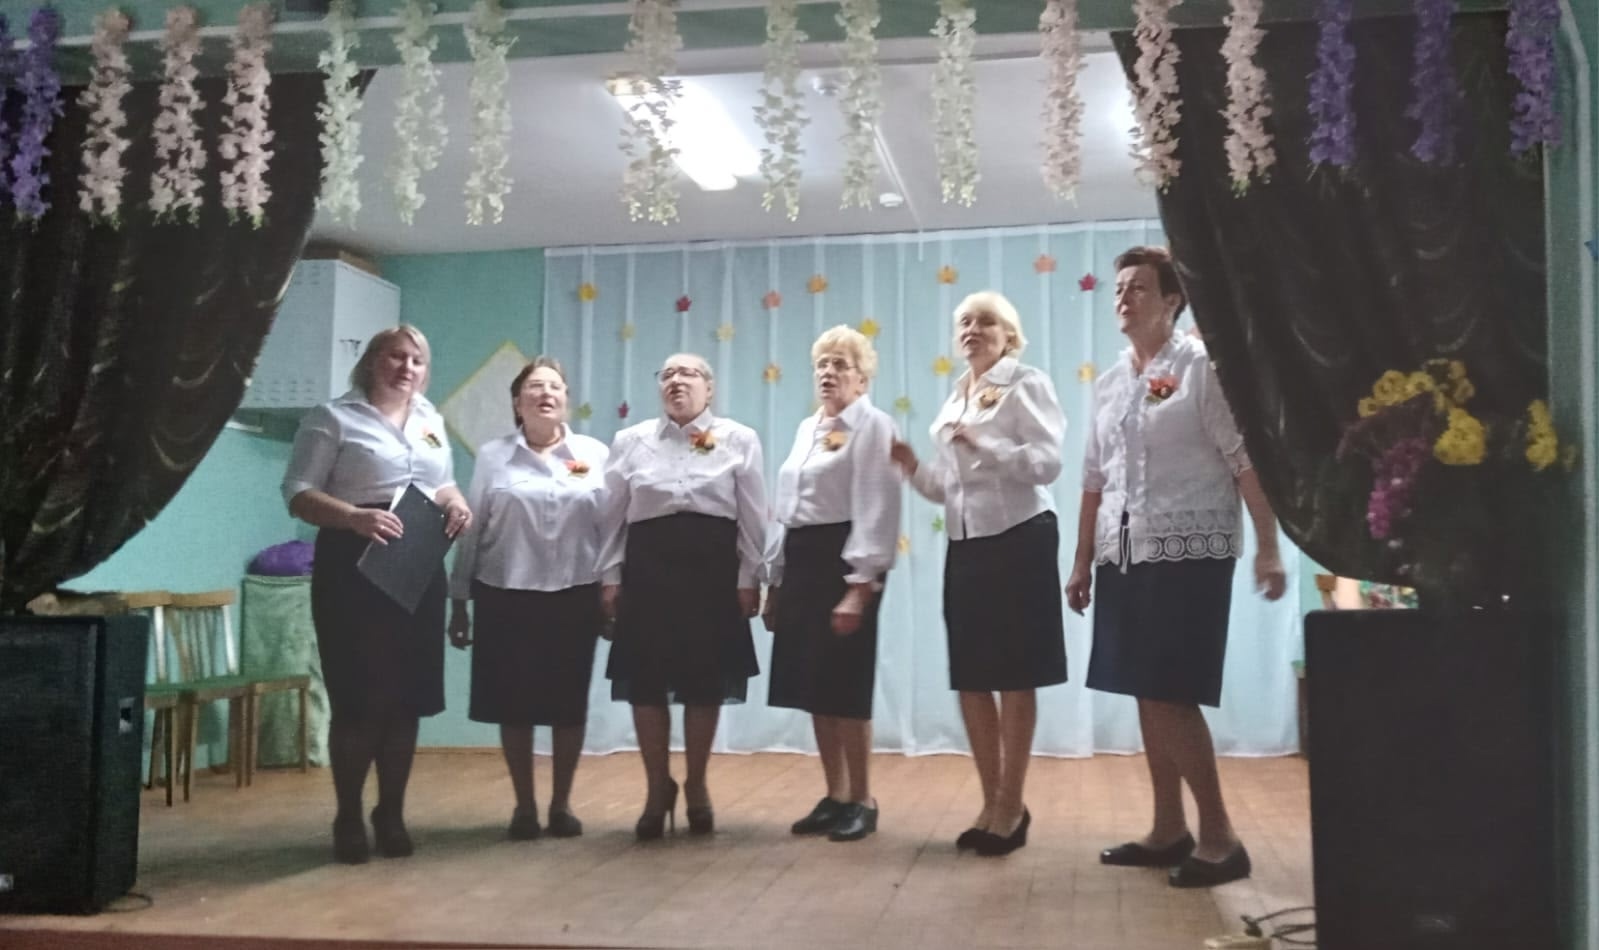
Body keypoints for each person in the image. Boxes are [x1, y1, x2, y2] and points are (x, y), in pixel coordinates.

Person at [1065, 245, 1287, 889]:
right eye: (1119, 288)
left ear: (1172, 300)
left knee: (1171, 694)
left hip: (1189, 550)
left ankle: (1220, 837)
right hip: (1123, 553)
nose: (1124, 297)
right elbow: (1093, 480)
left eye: (1138, 287)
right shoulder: (1111, 384)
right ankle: (1168, 829)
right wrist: (1081, 561)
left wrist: (1268, 545)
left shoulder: (1199, 368)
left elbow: (1243, 459)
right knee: (1146, 690)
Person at [282, 324, 473, 865]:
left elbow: (442, 482)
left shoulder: (431, 419)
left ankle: (390, 813)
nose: (407, 367)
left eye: (417, 360)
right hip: (354, 564)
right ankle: (347, 815)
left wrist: (456, 502)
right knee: (360, 697)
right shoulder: (333, 417)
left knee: (407, 698)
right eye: (396, 356)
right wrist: (353, 517)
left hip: (417, 564)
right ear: (372, 361)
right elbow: (297, 492)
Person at [890, 291, 1068, 857]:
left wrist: (983, 443)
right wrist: (912, 467)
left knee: (1015, 673)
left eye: (985, 321)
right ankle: (991, 803)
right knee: (971, 675)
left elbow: (1047, 463)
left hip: (1020, 535)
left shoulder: (1026, 382)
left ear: (1008, 335)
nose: (972, 329)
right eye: (964, 321)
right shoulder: (957, 395)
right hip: (966, 543)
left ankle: (1012, 804)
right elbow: (951, 487)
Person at [598, 353, 768, 840]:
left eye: (688, 373)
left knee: (704, 681)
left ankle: (696, 783)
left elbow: (754, 516)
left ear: (709, 388)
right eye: (667, 374)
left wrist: (750, 576)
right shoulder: (630, 441)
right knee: (645, 682)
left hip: (712, 572)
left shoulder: (739, 438)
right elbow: (611, 516)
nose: (676, 380)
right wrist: (609, 575)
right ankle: (658, 787)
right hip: (647, 571)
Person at [447, 357, 608, 841]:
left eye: (555, 386)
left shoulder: (594, 453)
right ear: (517, 403)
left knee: (568, 705)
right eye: (535, 387)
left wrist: (612, 590)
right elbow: (473, 529)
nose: (546, 394)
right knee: (512, 704)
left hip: (575, 594)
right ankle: (524, 806)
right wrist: (459, 598)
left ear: (567, 400)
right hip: (505, 595)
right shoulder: (493, 456)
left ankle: (561, 805)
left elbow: (610, 530)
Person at [763, 326, 900, 843]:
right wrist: (776, 581)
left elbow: (878, 508)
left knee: (846, 685)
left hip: (844, 562)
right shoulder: (808, 428)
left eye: (841, 364)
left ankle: (863, 798)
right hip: (802, 561)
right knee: (814, 684)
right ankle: (835, 794)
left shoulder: (873, 425)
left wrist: (859, 588)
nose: (828, 372)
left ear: (862, 379)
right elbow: (788, 510)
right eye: (822, 363)